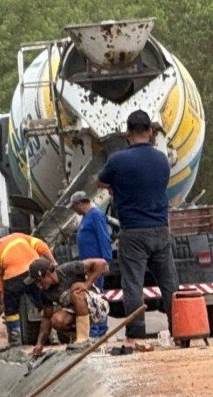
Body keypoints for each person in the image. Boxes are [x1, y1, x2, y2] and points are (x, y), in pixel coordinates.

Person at [97, 109, 178, 339]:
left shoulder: (118, 160)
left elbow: (101, 181)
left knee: (133, 284)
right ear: (151, 132)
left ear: (128, 133)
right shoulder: (161, 159)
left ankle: (136, 332)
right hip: (161, 229)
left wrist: (116, 187)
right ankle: (179, 327)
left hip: (133, 231)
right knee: (169, 283)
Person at [0, 229, 57, 346]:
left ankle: (15, 341)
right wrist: (53, 261)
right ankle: (52, 335)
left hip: (13, 278)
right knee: (42, 304)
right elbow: (41, 246)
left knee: (11, 310)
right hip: (34, 272)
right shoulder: (18, 236)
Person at [27, 258, 110, 356]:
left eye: (39, 280)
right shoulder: (45, 293)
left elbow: (101, 263)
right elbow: (46, 318)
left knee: (75, 290)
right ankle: (77, 338)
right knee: (56, 320)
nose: (38, 285)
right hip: (77, 312)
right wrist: (39, 344)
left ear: (48, 273)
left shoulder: (67, 270)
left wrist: (87, 284)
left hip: (99, 306)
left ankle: (83, 339)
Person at [69, 191, 113, 337]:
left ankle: (99, 331)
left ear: (80, 203)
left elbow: (104, 237)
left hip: (96, 264)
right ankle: (95, 330)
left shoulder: (95, 215)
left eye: (74, 207)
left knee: (96, 297)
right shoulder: (86, 218)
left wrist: (106, 260)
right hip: (87, 265)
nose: (74, 210)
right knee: (91, 296)